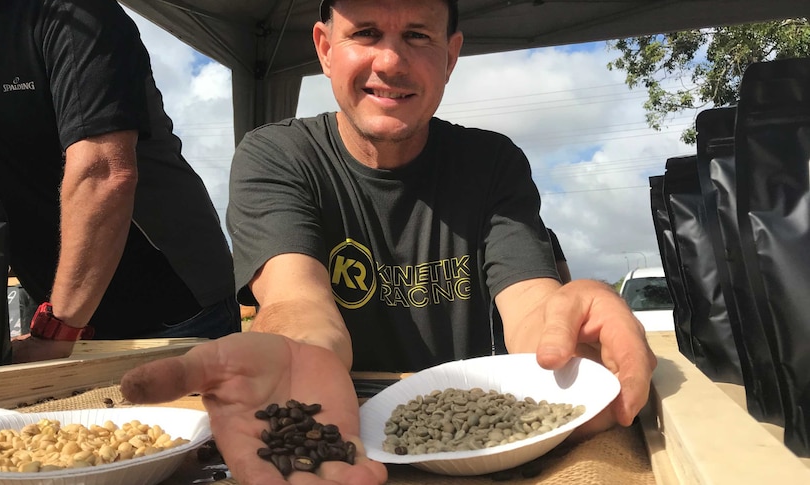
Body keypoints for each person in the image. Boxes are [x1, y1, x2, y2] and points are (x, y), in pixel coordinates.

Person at [121, 1, 655, 484]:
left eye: (418, 36)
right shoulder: (277, 156)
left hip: (480, 451)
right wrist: (295, 353)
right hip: (344, 443)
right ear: (326, 50)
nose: (391, 62)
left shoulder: (492, 163)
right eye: (367, 32)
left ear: (451, 56)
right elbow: (295, 300)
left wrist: (569, 348)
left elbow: (532, 304)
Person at [0, 0, 238, 364]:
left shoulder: (72, 11)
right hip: (66, 321)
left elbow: (103, 173)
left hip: (173, 314)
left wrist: (58, 329)